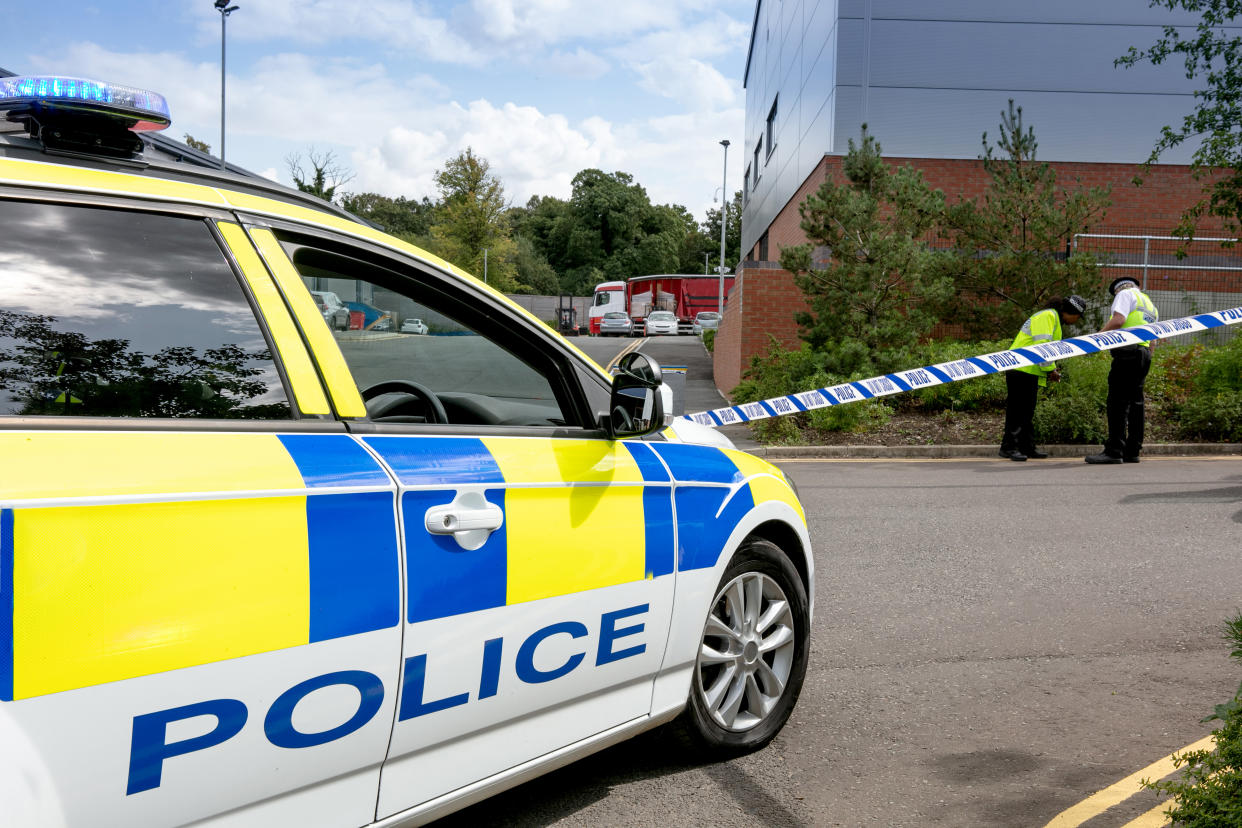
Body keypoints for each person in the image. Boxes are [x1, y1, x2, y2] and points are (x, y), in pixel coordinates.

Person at [1000, 295, 1087, 461]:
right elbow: (1042, 346)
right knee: (1017, 411)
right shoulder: (1048, 316)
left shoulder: (1052, 318)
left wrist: (1049, 369)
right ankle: (1009, 448)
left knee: (1026, 412)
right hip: (1020, 368)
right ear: (1071, 312)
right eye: (1077, 316)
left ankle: (1027, 447)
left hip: (1028, 370)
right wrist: (1050, 369)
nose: (1076, 320)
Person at [1084, 277, 1160, 464]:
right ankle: (1132, 451)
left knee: (1117, 402)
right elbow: (1153, 340)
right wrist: (1146, 359)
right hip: (1143, 354)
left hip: (1127, 352)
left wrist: (1096, 338)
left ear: (1118, 290)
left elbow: (1119, 320)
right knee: (1136, 404)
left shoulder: (1125, 294)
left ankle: (1114, 450)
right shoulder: (1150, 305)